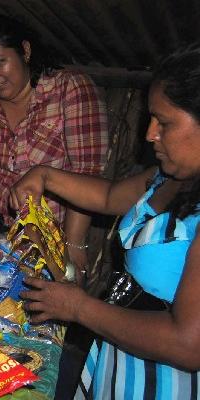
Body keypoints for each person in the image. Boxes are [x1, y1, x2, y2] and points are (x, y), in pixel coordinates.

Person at [11, 42, 200, 399]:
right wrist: (44, 176)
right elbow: (109, 196)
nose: (150, 134)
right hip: (122, 355)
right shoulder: (171, 177)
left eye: (166, 122)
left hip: (165, 384)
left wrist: (79, 307)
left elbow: (189, 344)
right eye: (150, 118)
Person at [0, 15, 108, 269]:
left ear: (25, 51)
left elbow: (87, 172)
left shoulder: (69, 89)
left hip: (48, 238)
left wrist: (73, 244)